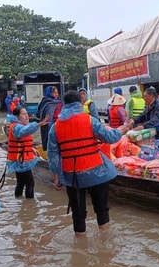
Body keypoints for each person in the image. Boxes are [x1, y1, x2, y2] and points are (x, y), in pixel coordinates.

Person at [47, 90, 129, 236]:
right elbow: (109, 137)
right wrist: (122, 130)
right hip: (96, 171)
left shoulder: (55, 127)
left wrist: (56, 176)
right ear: (80, 103)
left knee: (78, 213)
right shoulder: (90, 120)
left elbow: (53, 154)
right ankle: (105, 244)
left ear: (64, 105)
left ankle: (79, 247)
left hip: (72, 176)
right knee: (102, 209)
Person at [7, 107, 49, 199]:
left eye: (27, 114)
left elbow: (22, 140)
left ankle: (19, 200)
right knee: (30, 182)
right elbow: (23, 132)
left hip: (19, 159)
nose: (26, 116)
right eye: (23, 114)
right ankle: (30, 204)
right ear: (17, 116)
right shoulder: (17, 126)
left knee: (21, 182)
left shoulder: (17, 125)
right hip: (21, 160)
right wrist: (39, 124)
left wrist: (31, 148)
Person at [36, 85, 63, 151]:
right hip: (53, 129)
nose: (56, 94)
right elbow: (49, 119)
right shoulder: (48, 104)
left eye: (57, 92)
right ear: (49, 93)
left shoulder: (57, 102)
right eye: (54, 93)